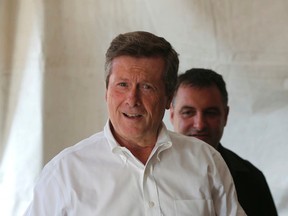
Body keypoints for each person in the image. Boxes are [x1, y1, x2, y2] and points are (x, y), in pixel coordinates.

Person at [25, 31, 246, 215]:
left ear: (169, 98)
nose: (132, 100)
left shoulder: (206, 162)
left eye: (147, 87)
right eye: (122, 85)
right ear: (106, 92)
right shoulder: (65, 173)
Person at [170, 68, 278, 216]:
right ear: (171, 115)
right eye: (188, 112)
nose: (200, 124)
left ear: (225, 116)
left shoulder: (251, 179)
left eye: (210, 113)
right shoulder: (146, 171)